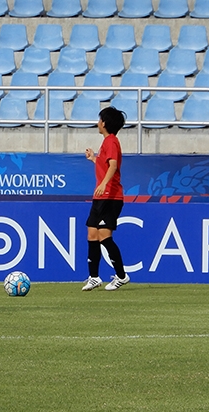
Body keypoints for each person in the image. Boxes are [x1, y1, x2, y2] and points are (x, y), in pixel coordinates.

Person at [82, 106, 130, 291]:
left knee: (104, 236)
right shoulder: (108, 143)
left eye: (99, 119)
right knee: (92, 234)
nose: (97, 122)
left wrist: (103, 184)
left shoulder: (111, 141)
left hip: (110, 196)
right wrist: (94, 159)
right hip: (101, 196)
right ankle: (94, 277)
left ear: (104, 123)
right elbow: (105, 164)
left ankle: (121, 275)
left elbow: (113, 165)